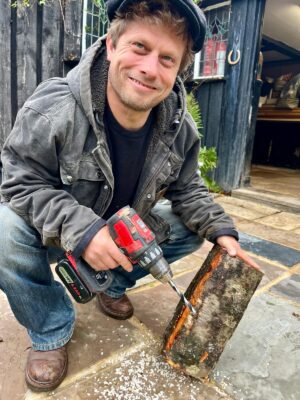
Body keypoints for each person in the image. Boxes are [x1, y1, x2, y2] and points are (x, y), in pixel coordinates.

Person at [0, 0, 259, 392]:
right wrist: (85, 232)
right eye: (140, 47)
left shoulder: (179, 127)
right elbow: (19, 181)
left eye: (167, 59)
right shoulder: (54, 107)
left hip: (120, 236)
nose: (150, 69)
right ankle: (50, 327)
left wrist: (223, 232)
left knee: (190, 228)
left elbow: (188, 190)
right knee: (3, 232)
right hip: (54, 234)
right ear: (111, 45)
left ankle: (112, 284)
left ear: (178, 72)